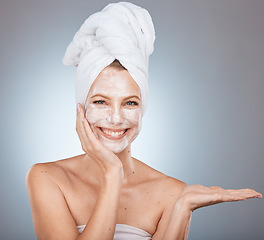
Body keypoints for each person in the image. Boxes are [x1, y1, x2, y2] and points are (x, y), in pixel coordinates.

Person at [26, 2, 262, 240]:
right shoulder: (46, 178)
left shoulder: (173, 194)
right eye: (100, 102)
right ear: (81, 109)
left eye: (130, 103)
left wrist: (181, 210)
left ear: (143, 109)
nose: (116, 118)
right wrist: (111, 174)